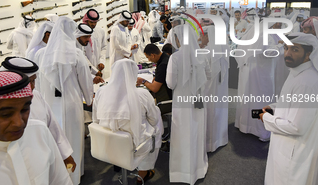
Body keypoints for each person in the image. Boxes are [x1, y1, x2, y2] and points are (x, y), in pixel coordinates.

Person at [0, 71, 73, 185]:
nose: (19, 123)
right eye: (6, 114)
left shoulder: (39, 131)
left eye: (25, 110)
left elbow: (60, 181)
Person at [36, 17, 95, 185]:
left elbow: (38, 83)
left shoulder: (41, 54)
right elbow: (85, 81)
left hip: (49, 105)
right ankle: (74, 176)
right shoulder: (76, 54)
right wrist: (89, 99)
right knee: (73, 139)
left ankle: (58, 177)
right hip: (71, 105)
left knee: (54, 140)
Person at [260, 32, 318, 185]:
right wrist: (274, 108)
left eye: (295, 50)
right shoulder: (298, 72)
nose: (288, 54)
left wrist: (266, 117)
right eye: (286, 48)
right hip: (287, 146)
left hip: (295, 153)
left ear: (308, 54)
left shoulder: (306, 82)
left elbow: (297, 127)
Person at [92, 59, 163, 184]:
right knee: (157, 124)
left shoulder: (101, 92)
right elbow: (153, 120)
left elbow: (95, 120)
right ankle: (143, 173)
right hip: (134, 145)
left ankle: (119, 162)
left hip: (107, 142)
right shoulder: (142, 94)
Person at [0, 56, 76, 172]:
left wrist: (65, 155)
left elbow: (53, 126)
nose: (32, 86)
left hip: (44, 160)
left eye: (33, 81)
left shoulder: (36, 96)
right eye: (27, 82)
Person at [166, 24, 208, 185]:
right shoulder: (201, 55)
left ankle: (182, 172)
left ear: (178, 38)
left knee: (182, 135)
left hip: (181, 104)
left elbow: (170, 84)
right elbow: (207, 75)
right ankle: (198, 168)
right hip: (198, 101)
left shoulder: (174, 58)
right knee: (196, 131)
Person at [234, 20, 279, 141]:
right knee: (262, 99)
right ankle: (261, 130)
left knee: (249, 99)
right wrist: (281, 45)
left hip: (249, 73)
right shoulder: (266, 36)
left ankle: (245, 125)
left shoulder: (252, 34)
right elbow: (270, 52)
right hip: (261, 75)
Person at [200, 25, 229, 152]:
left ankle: (208, 143)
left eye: (202, 35)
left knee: (209, 113)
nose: (200, 38)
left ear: (208, 36)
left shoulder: (207, 51)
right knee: (219, 112)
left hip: (208, 88)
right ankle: (219, 138)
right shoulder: (222, 49)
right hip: (220, 89)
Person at [82, 9, 107, 76]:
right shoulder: (81, 33)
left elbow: (104, 47)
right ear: (86, 20)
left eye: (95, 22)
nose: (94, 24)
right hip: (86, 69)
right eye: (91, 22)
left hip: (99, 68)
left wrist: (101, 62)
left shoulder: (101, 31)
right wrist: (94, 70)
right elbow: (82, 54)